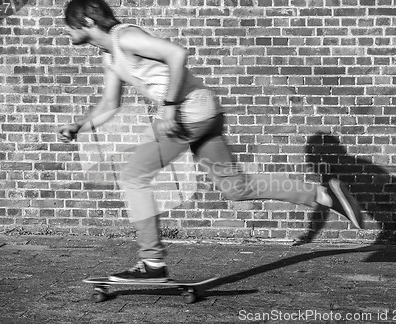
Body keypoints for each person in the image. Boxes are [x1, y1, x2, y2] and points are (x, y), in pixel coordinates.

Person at [59, 0, 364, 282]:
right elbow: (110, 103)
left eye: (68, 23)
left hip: (186, 115)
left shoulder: (124, 37)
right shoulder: (110, 56)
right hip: (205, 113)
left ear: (86, 20)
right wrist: (80, 125)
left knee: (133, 175)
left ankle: (152, 263)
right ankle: (325, 196)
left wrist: (167, 108)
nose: (65, 30)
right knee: (235, 186)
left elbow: (176, 53)